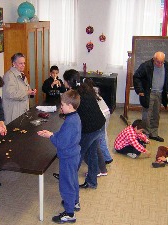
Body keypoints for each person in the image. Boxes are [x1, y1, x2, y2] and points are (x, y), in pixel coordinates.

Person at [37, 90, 81, 224]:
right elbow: (64, 135)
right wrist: (52, 133)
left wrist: (50, 136)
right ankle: (75, 202)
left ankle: (69, 213)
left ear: (69, 105)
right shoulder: (75, 117)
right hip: (74, 154)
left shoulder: (70, 122)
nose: (61, 107)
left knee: (66, 184)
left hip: (67, 157)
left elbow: (61, 143)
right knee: (73, 179)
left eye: (62, 104)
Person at [63, 69, 106, 189]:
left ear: (67, 82)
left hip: (90, 129)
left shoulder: (74, 95)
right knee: (92, 154)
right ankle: (92, 182)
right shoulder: (85, 88)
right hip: (99, 125)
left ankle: (68, 183)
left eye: (64, 81)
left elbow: (71, 113)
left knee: (77, 156)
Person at [133, 51, 168, 142]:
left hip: (160, 93)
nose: (160, 64)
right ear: (153, 59)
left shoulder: (167, 66)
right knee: (147, 114)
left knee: (156, 114)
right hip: (148, 93)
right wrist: (140, 90)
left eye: (162, 62)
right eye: (158, 62)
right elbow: (136, 77)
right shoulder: (146, 66)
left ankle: (154, 134)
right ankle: (145, 135)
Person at [83, 78, 113, 165]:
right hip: (106, 113)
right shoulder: (95, 91)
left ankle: (104, 157)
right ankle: (107, 157)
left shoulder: (88, 94)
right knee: (103, 136)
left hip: (101, 116)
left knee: (100, 138)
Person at [2, 53, 37, 124]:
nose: (23, 65)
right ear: (14, 64)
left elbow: (26, 89)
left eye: (24, 63)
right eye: (21, 63)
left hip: (22, 109)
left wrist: (31, 92)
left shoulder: (22, 75)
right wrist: (27, 92)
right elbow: (11, 94)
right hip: (14, 111)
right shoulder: (9, 76)